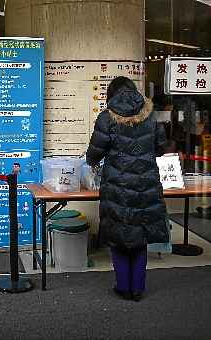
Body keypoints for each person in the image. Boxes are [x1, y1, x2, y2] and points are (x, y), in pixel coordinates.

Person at [86, 76, 169, 302]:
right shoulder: (151, 115)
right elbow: (162, 148)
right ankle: (138, 289)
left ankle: (123, 287)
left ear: (112, 94)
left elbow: (94, 154)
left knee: (119, 240)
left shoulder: (107, 118)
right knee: (140, 239)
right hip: (146, 186)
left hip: (117, 188)